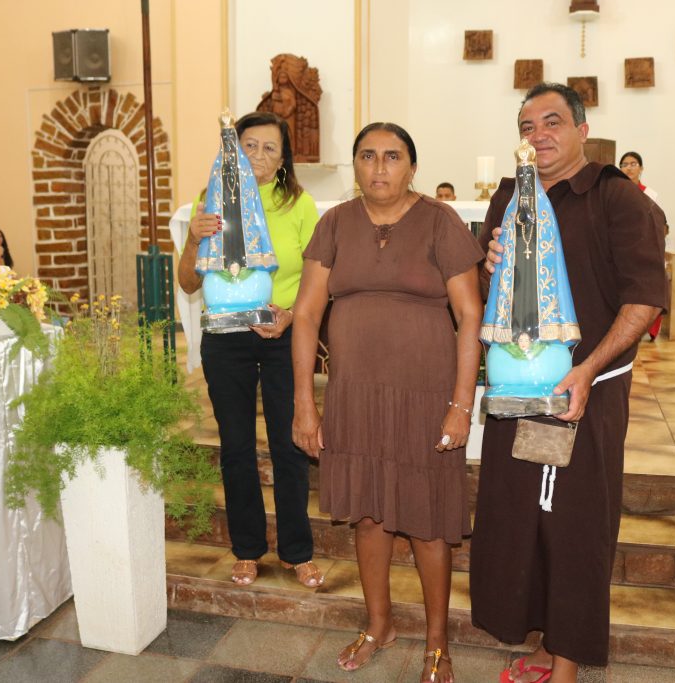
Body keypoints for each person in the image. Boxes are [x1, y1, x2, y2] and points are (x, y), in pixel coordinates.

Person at [470, 83, 666, 683]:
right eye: (527, 126)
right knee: (520, 518)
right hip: (518, 388)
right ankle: (540, 638)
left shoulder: (615, 197)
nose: (539, 135)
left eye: (552, 122)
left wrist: (587, 369)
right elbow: (487, 296)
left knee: (574, 523)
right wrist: (489, 268)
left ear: (583, 130)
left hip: (589, 391)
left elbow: (644, 300)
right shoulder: (510, 196)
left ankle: (567, 662)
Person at [292, 122, 484, 683]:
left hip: (425, 395)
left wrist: (462, 404)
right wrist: (305, 402)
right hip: (354, 394)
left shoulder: (440, 222)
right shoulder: (335, 223)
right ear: (355, 164)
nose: (379, 167)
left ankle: (437, 643)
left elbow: (470, 313)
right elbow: (306, 314)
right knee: (369, 512)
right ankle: (379, 624)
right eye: (368, 156)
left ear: (412, 167)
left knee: (428, 522)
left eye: (392, 156)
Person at [176, 111, 323, 588]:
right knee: (236, 446)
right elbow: (187, 282)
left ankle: (297, 551)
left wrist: (291, 316)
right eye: (249, 145)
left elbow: (320, 277)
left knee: (289, 445)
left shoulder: (299, 205)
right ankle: (247, 548)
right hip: (225, 339)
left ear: (283, 160)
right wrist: (193, 239)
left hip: (283, 334)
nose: (258, 155)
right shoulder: (210, 200)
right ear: (232, 150)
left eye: (269, 148)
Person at [620, 151, 667, 340]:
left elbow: (655, 222)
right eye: (624, 164)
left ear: (641, 168)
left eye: (633, 164)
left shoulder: (650, 194)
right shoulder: (617, 192)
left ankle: (647, 328)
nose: (629, 168)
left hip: (643, 246)